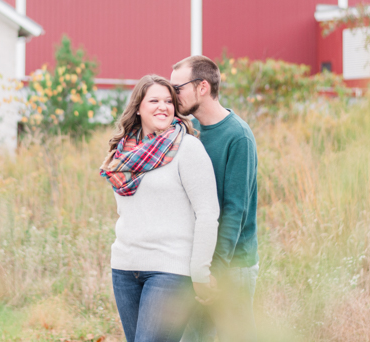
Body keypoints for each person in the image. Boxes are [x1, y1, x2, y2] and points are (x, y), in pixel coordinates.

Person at [100, 74, 220, 342]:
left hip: (170, 270)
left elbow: (208, 213)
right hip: (125, 267)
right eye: (154, 100)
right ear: (139, 107)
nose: (163, 106)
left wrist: (200, 272)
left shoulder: (188, 148)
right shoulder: (123, 153)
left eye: (168, 101)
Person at [170, 56, 259, 342]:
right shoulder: (190, 133)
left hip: (231, 266)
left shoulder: (238, 136)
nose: (172, 97)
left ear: (203, 87)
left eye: (177, 88)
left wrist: (215, 270)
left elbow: (236, 210)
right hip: (199, 265)